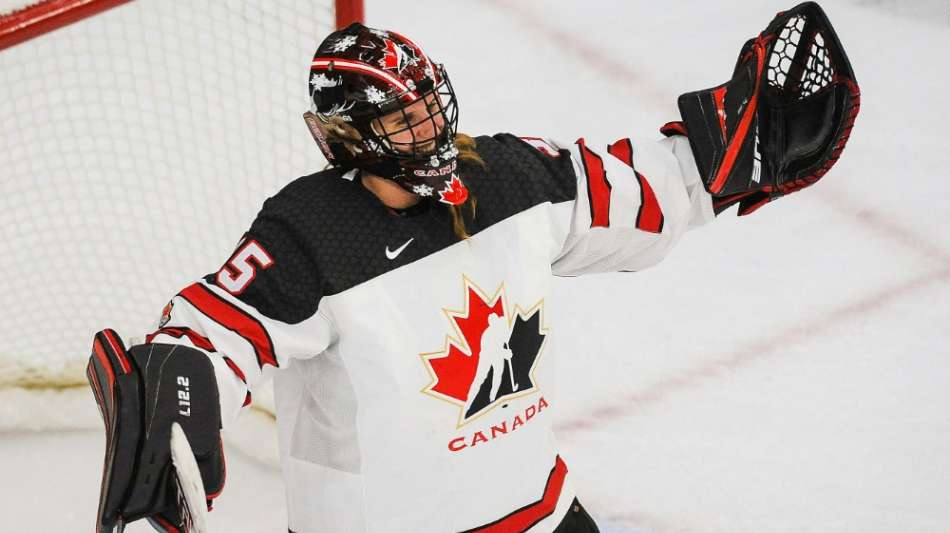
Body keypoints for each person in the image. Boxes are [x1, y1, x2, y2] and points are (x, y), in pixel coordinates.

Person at [86, 4, 859, 532]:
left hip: (541, 516)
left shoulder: (501, 173)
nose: (429, 129)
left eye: (429, 105)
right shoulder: (310, 231)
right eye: (402, 118)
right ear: (351, 137)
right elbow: (220, 325)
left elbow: (626, 189)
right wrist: (179, 377)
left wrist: (721, 155)